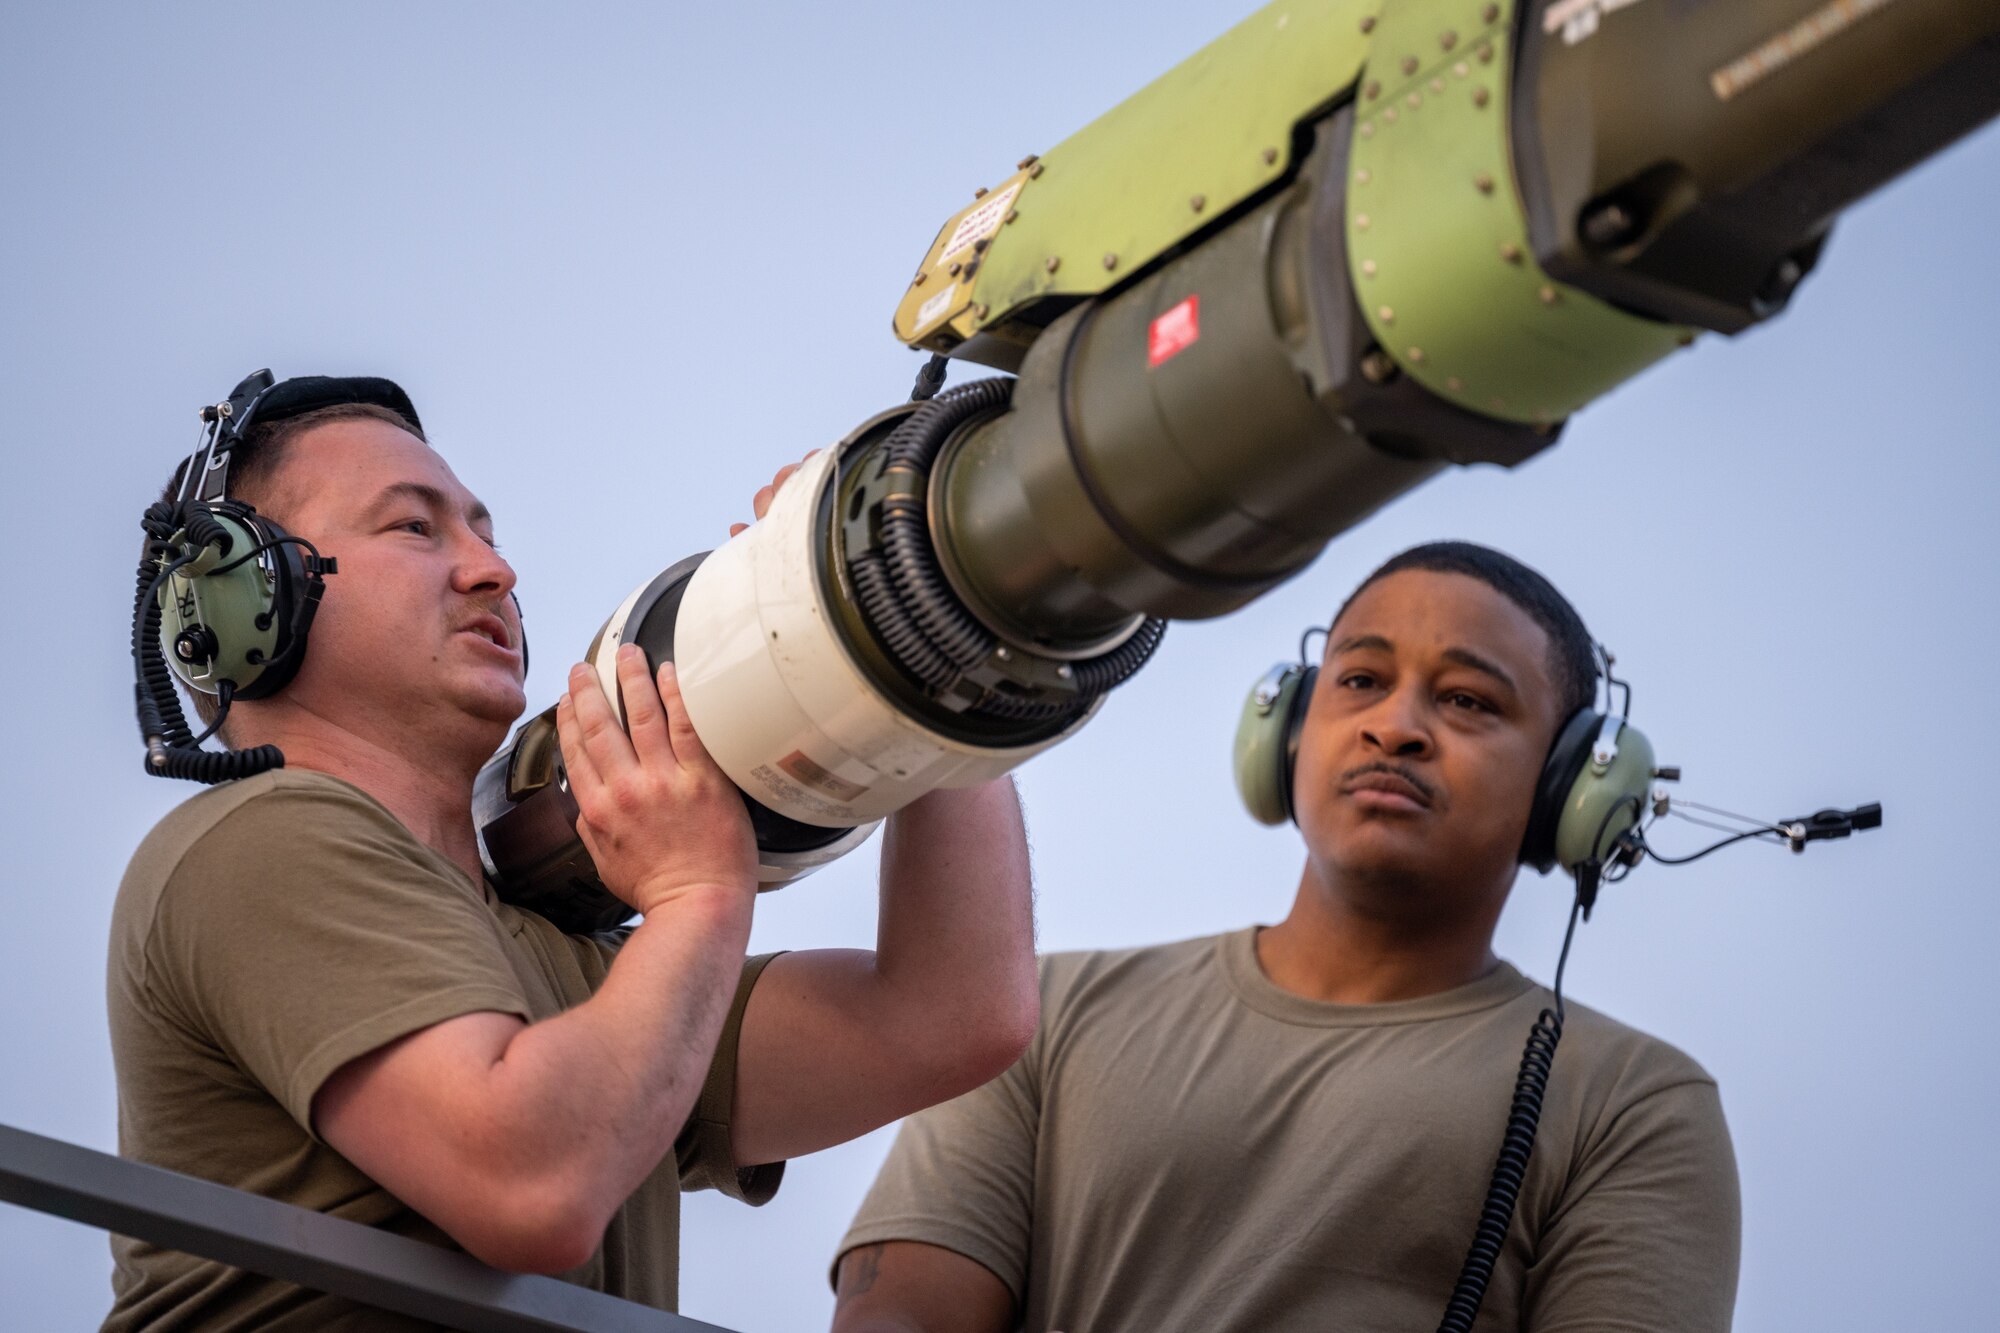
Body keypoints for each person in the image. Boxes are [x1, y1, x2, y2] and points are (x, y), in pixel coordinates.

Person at [105, 379, 1040, 1330]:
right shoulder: (256, 839)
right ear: (243, 598)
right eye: (414, 529)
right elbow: (529, 1183)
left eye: (485, 532)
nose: (492, 571)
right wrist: (693, 893)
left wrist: (916, 648)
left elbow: (949, 1015)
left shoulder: (574, 972)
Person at [831, 542, 1741, 1332]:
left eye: (1466, 700)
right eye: (1360, 680)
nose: (1396, 726)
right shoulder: (1039, 1012)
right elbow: (898, 1312)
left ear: (1575, 784)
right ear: (1289, 728)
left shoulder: (1634, 1103)